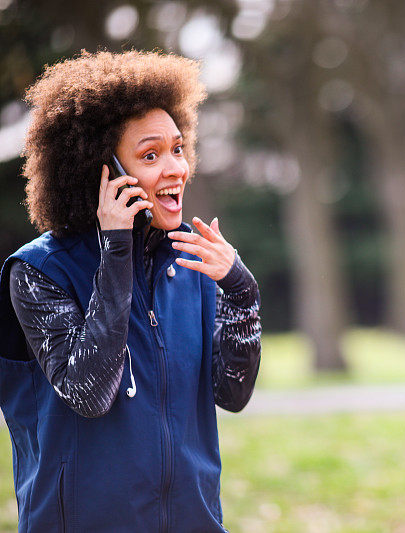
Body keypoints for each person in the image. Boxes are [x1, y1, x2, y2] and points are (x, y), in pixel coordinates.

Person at [0, 50, 261, 531]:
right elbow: (89, 392)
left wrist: (240, 289)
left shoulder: (193, 263)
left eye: (178, 149)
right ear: (102, 172)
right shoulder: (37, 272)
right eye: (149, 155)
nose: (175, 169)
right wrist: (115, 249)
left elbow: (232, 393)